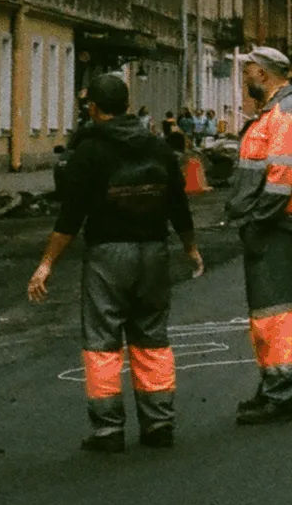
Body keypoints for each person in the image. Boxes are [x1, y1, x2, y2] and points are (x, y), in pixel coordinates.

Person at [29, 74, 204, 452]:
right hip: (154, 253)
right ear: (127, 106)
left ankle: (108, 429)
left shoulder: (89, 152)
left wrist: (47, 263)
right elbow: (178, 202)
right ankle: (159, 423)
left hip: (108, 255)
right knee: (152, 337)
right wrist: (190, 247)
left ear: (93, 109)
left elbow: (71, 217)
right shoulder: (157, 147)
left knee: (103, 341)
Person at [228, 47, 292, 426]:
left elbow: (281, 180)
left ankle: (280, 396)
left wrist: (256, 222)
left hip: (278, 225)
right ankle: (272, 388)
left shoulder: (288, 114)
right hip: (272, 224)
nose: (244, 79)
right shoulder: (275, 113)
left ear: (262, 74)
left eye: (247, 71)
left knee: (277, 314)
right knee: (266, 313)